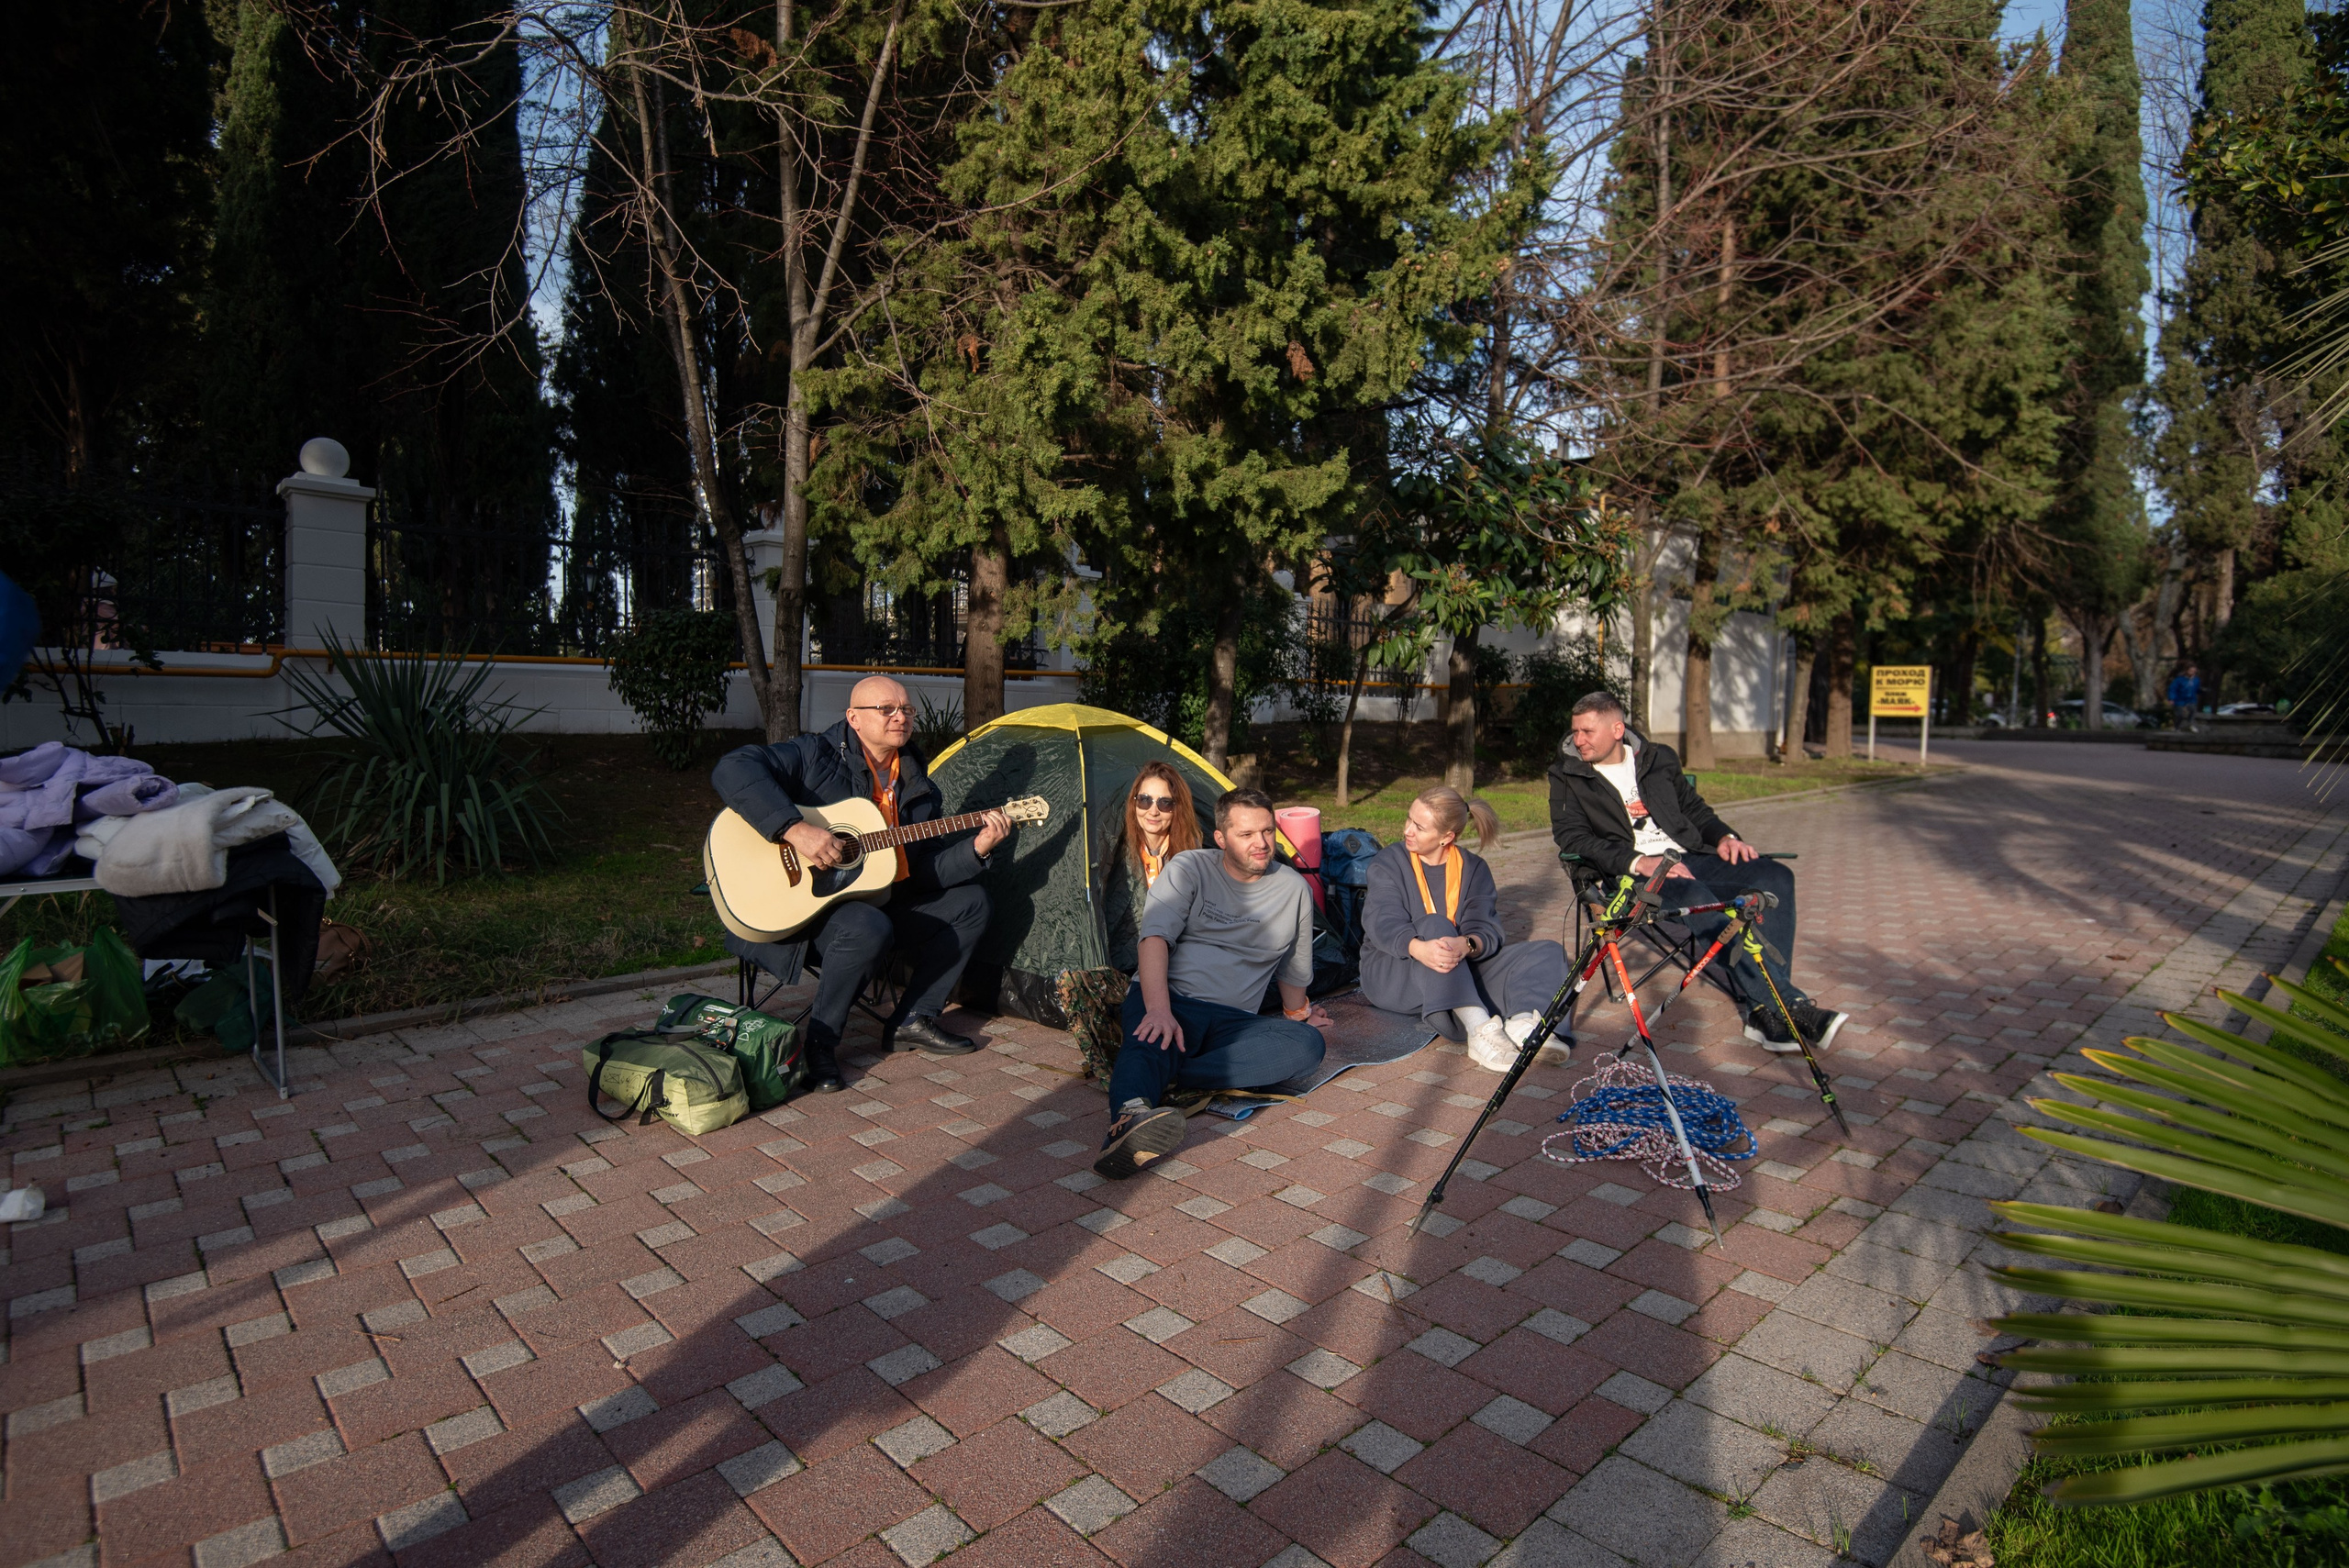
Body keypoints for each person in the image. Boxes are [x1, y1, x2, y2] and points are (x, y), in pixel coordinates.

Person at [711, 675, 1011, 1092]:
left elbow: (920, 873)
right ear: (853, 718)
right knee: (867, 925)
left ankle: (913, 1019)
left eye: (906, 709)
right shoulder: (816, 754)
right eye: (886, 709)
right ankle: (819, 1046)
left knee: (972, 902)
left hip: (875, 905)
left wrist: (976, 849)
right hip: (800, 915)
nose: (899, 717)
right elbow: (734, 767)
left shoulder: (918, 786)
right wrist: (794, 829)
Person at [1548, 691, 1846, 1054]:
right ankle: (1789, 1005)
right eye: (1575, 731)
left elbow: (1694, 808)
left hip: (1690, 855)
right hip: (1633, 873)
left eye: (1587, 732)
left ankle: (1760, 1010)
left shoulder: (1658, 758)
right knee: (1696, 897)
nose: (1578, 740)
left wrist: (1724, 837)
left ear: (1616, 729)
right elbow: (1572, 837)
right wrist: (1639, 862)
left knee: (1777, 877)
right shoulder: (1567, 774)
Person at [1096, 788, 1330, 1178]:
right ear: (1221, 838)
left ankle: (1173, 1073)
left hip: (1232, 1023)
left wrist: (1299, 1015)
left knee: (1306, 1046)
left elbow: (1293, 969)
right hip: (1172, 1000)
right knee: (1152, 1035)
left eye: (1268, 832)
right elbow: (1153, 939)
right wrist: (1158, 1009)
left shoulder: (1293, 889)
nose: (1261, 843)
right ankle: (1128, 1121)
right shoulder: (1190, 868)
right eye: (1247, 834)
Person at [1360, 786, 1574, 1072]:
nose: (1408, 830)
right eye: (1408, 819)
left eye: (1419, 827)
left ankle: (1524, 1026)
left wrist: (1467, 945)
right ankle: (1479, 1030)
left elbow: (1485, 929)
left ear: (1447, 837)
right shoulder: (1389, 861)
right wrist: (1420, 948)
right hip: (1393, 971)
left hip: (1456, 967)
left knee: (1548, 952)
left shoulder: (1473, 868)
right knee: (1436, 923)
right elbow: (1382, 921)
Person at [1102, 762, 1202, 973]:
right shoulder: (1114, 850)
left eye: (1165, 803)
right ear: (1134, 803)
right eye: (1144, 800)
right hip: (1121, 963)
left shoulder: (1191, 853)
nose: (1153, 811)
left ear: (1177, 808)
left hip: (1177, 962)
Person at [2167, 663, 2201, 729]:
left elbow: (2197, 689)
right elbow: (2172, 689)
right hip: (2180, 699)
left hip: (2191, 699)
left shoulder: (2196, 680)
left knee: (2193, 710)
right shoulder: (2179, 680)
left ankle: (2190, 723)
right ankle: (2177, 726)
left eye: (2194, 671)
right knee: (2180, 714)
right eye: (2190, 671)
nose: (2192, 673)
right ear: (2187, 670)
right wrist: (2171, 698)